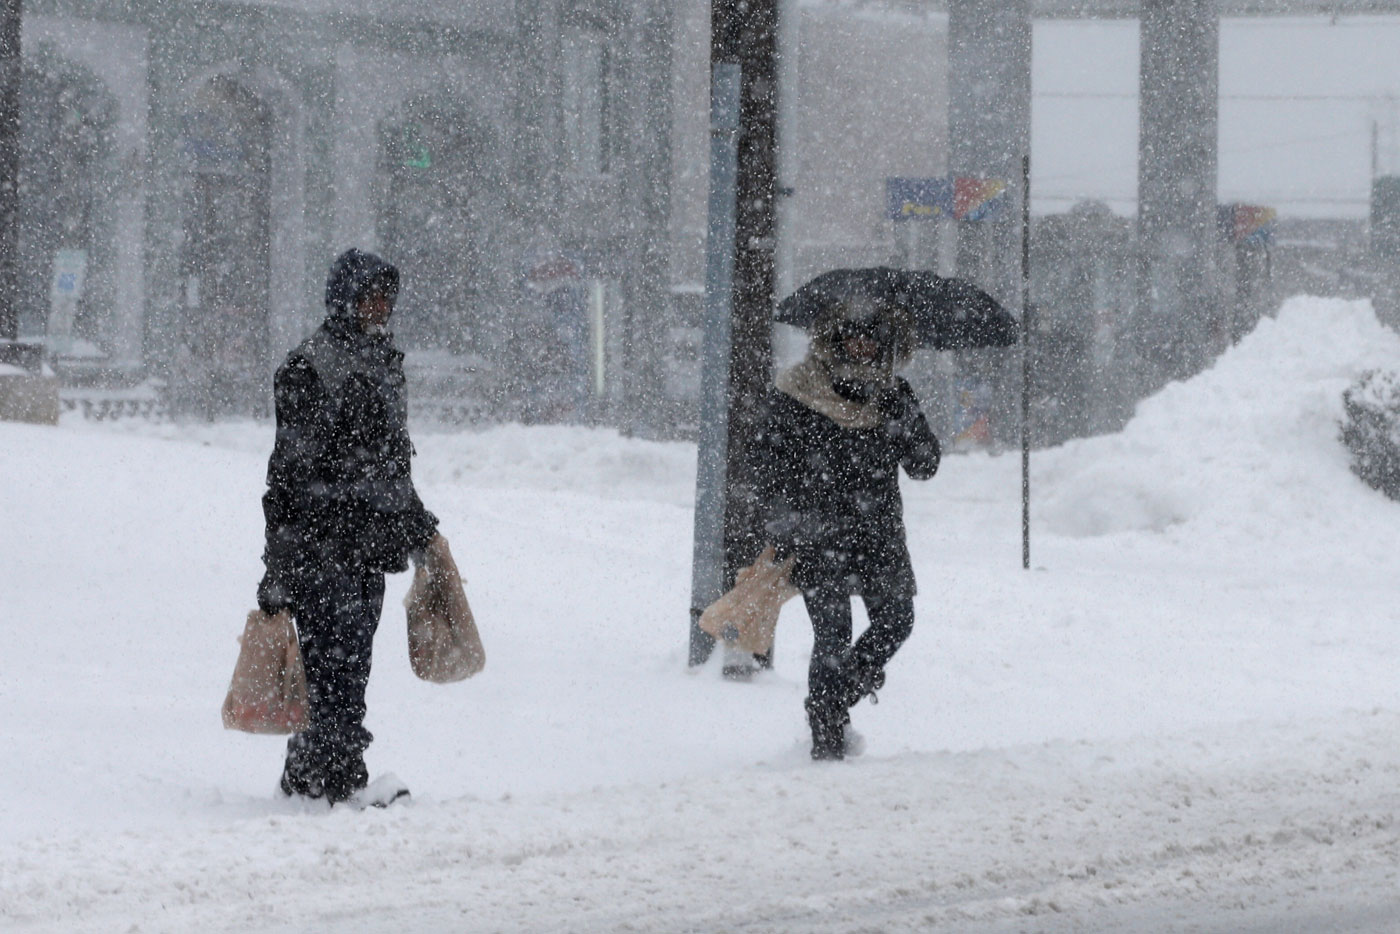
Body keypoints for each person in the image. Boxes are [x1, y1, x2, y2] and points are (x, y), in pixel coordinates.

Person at [256, 248, 444, 804]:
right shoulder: (310, 368)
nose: (380, 307)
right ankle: (337, 781)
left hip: (364, 546)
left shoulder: (380, 361)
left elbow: (388, 461)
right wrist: (278, 567)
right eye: (369, 296)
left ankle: (309, 777)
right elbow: (289, 476)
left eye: (386, 298)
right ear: (344, 298)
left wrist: (416, 525)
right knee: (330, 667)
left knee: (346, 667)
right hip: (322, 545)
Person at [749, 295, 941, 760]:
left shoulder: (893, 396)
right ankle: (826, 736)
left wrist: (904, 420)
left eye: (872, 340)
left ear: (887, 347)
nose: (861, 348)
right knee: (832, 635)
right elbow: (765, 462)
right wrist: (788, 522)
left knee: (897, 620)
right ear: (832, 339)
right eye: (852, 337)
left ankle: (833, 702)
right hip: (818, 537)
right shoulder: (799, 392)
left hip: (878, 535)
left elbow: (925, 465)